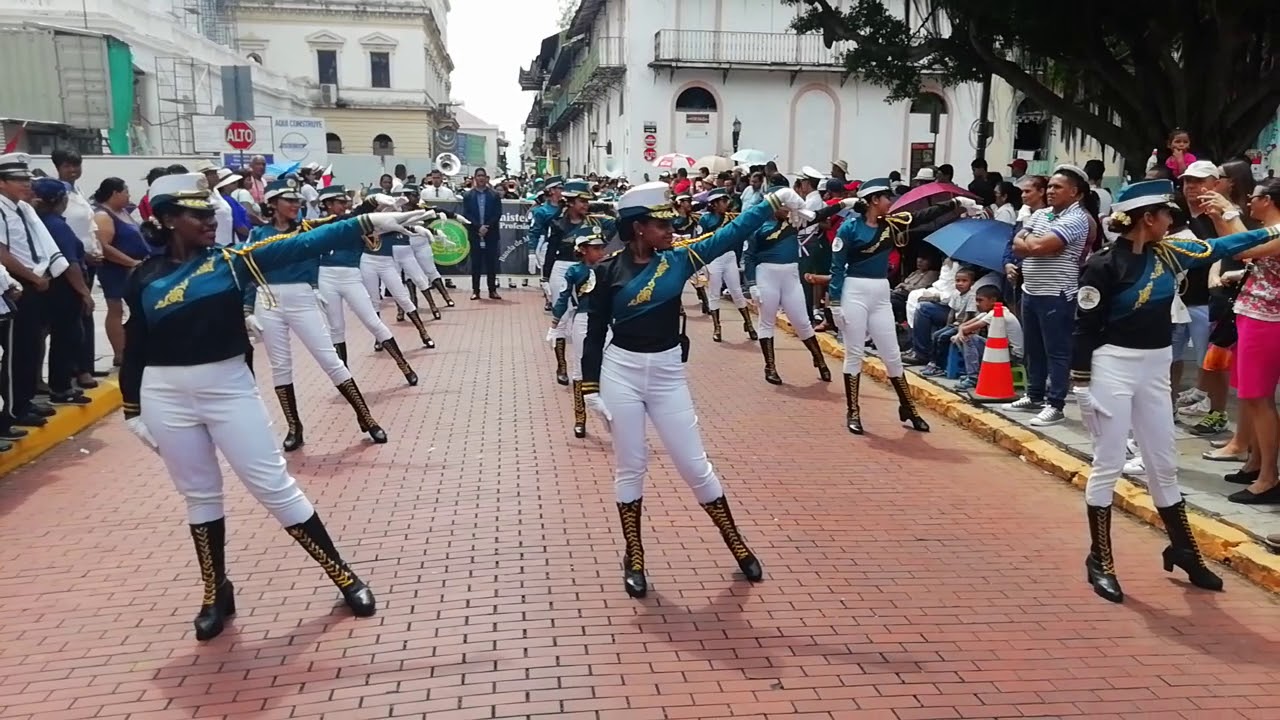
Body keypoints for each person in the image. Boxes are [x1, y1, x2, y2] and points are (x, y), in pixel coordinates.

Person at [120, 172, 430, 639]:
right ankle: (215, 591)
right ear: (166, 219)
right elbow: (136, 346)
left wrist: (371, 220)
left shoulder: (230, 262)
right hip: (165, 395)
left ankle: (343, 575)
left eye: (210, 211)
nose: (209, 219)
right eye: (196, 213)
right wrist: (132, 410)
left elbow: (302, 245)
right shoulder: (142, 277)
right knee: (199, 496)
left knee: (274, 485)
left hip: (228, 388)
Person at [579, 181, 807, 598]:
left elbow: (729, 235)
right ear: (638, 228)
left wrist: (770, 203)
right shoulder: (605, 272)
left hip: (667, 374)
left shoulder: (680, 260)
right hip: (621, 373)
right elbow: (594, 335)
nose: (671, 229)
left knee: (694, 464)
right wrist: (589, 388)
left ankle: (736, 544)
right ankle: (634, 555)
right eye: (661, 223)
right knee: (631, 465)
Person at [1072, 179, 1280, 603]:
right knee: (1108, 463)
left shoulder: (1171, 253)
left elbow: (1223, 248)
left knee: (1163, 464)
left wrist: (1274, 232)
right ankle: (1101, 559)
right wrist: (1080, 384)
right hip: (1112, 366)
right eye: (1167, 214)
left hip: (1154, 367)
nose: (1173, 221)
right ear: (1149, 219)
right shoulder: (1103, 265)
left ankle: (1183, 548)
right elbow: (1085, 326)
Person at [245, 178, 393, 451]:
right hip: (268, 299)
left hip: (302, 297)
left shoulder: (307, 228)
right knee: (280, 366)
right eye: (288, 200)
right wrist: (246, 309)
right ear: (273, 203)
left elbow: (342, 223)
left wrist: (371, 205)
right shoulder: (257, 235)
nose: (295, 205)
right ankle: (294, 426)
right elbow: (248, 273)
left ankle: (366, 416)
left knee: (330, 359)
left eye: (296, 200)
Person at [828, 178, 976, 434]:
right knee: (854, 353)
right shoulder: (848, 230)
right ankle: (853, 411)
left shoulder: (891, 224)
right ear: (875, 200)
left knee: (892, 355)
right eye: (887, 198)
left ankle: (908, 407)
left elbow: (920, 217)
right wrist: (835, 302)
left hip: (880, 292)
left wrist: (955, 204)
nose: (891, 203)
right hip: (855, 291)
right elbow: (837, 267)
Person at [744, 184, 851, 384]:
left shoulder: (794, 222)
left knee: (802, 321)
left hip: (791, 276)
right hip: (767, 275)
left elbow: (818, 215)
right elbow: (748, 256)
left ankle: (819, 360)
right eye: (781, 205)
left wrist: (843, 204)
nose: (786, 208)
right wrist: (751, 284)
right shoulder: (757, 226)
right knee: (766, 322)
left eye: (787, 205)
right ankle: (770, 367)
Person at [314, 184, 419, 384]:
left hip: (351, 276)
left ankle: (403, 365)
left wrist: (376, 202)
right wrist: (312, 286)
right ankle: (345, 377)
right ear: (327, 204)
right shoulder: (318, 224)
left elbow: (360, 214)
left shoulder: (352, 221)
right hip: (325, 276)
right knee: (336, 328)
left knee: (373, 321)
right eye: (339, 202)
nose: (343, 205)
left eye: (345, 202)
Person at [0, 153, 71, 435]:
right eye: (18, 180)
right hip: (16, 283)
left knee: (30, 347)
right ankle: (14, 409)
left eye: (27, 179)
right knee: (17, 351)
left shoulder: (23, 209)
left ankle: (25, 401)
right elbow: (3, 252)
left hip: (35, 280)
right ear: (2, 182)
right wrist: (30, 277)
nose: (26, 185)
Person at [543, 180, 617, 386]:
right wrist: (545, 277)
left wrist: (606, 210)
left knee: (586, 314)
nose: (585, 205)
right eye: (581, 201)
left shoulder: (596, 222)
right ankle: (561, 365)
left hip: (587, 268)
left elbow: (616, 227)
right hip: (562, 267)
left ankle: (586, 363)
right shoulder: (557, 222)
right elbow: (551, 251)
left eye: (586, 201)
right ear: (570, 202)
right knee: (564, 316)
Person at [31, 178, 94, 405]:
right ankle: (61, 388)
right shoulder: (56, 225)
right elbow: (70, 263)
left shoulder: (40, 221)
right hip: (64, 289)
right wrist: (84, 292)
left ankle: (57, 385)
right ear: (61, 199)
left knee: (58, 336)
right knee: (67, 337)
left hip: (51, 289)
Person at [550, 228, 610, 438]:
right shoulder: (575, 271)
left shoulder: (609, 268)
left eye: (602, 248)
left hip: (607, 321)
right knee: (580, 369)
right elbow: (563, 297)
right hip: (583, 319)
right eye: (595, 248)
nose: (601, 252)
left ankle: (610, 413)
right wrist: (555, 324)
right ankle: (580, 417)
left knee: (608, 366)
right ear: (583, 250)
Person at [93, 177, 151, 367]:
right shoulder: (103, 215)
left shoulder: (123, 211)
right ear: (115, 193)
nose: (128, 195)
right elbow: (105, 247)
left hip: (134, 268)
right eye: (126, 192)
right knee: (116, 309)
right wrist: (131, 262)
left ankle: (135, 346)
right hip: (116, 270)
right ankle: (120, 353)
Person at [699, 188, 757, 343]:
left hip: (729, 256)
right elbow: (700, 240)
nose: (726, 204)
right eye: (723, 201)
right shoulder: (705, 220)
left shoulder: (730, 218)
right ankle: (717, 327)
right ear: (715, 204)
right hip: (714, 258)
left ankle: (749, 323)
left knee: (736, 291)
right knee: (714, 293)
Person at [462, 168, 503, 300]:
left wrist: (487, 227)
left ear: (487, 178)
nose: (480, 178)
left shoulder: (494, 195)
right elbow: (466, 214)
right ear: (475, 177)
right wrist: (478, 227)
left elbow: (498, 213)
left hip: (491, 233)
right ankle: (476, 291)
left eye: (483, 176)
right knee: (476, 263)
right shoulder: (468, 196)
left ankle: (492, 290)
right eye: (478, 176)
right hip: (475, 233)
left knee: (491, 263)